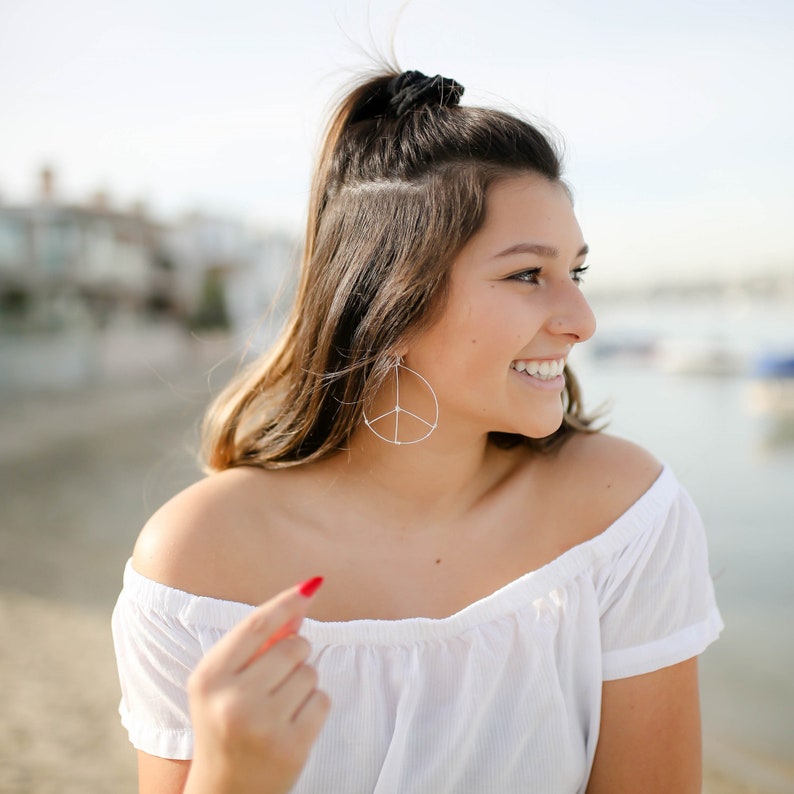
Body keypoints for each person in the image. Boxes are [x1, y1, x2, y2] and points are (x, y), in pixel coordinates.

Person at [112, 68, 723, 794]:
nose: (581, 321)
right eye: (528, 275)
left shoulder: (623, 519)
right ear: (392, 306)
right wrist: (231, 779)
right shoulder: (195, 565)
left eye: (576, 274)